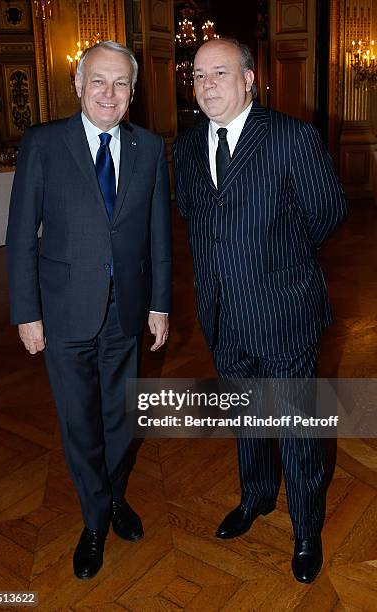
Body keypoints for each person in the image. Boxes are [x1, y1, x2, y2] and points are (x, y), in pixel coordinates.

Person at [173, 38, 346, 584]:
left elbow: (328, 212)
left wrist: (284, 267)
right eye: (198, 75)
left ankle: (306, 531)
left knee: (296, 428)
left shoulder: (291, 137)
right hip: (222, 314)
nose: (207, 85)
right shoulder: (184, 146)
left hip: (283, 312)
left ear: (250, 79)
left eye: (220, 73)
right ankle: (256, 499)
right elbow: (195, 220)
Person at [6, 41, 171, 580]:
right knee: (81, 424)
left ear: (131, 93)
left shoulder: (149, 147)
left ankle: (112, 496)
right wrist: (26, 312)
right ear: (77, 85)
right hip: (63, 313)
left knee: (122, 419)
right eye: (98, 80)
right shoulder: (43, 143)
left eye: (120, 83)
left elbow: (157, 235)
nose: (109, 92)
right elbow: (19, 236)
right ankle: (96, 518)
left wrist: (160, 304)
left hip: (126, 311)